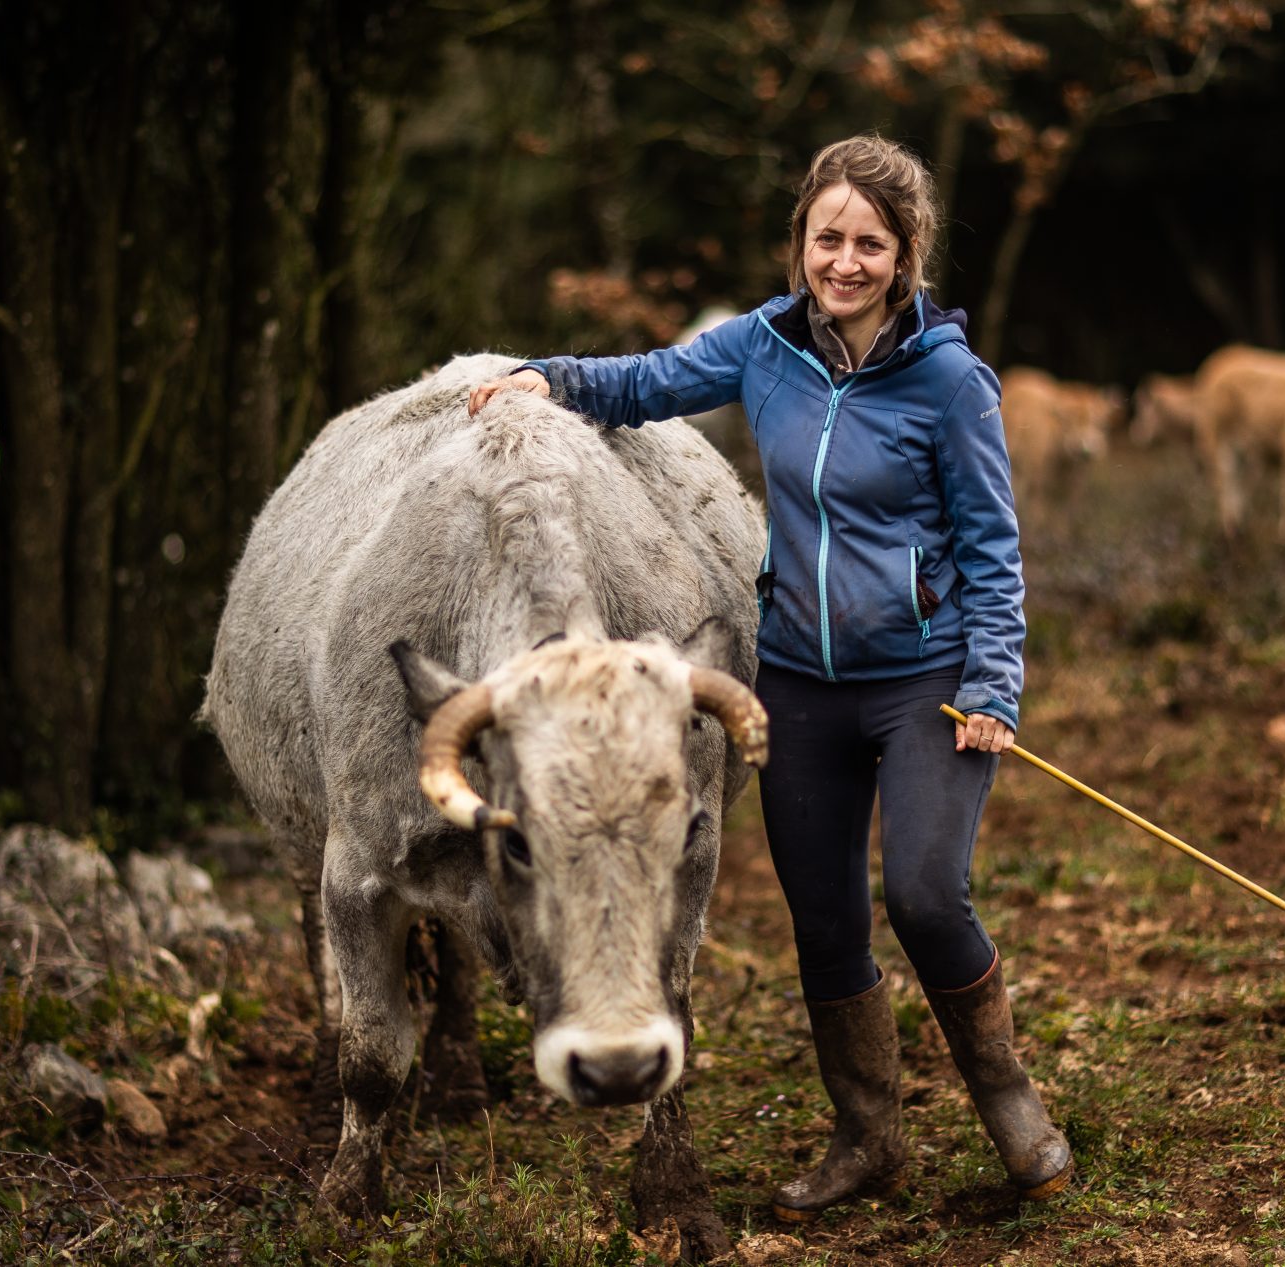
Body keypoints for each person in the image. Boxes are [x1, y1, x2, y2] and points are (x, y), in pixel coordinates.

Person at [468, 135, 1072, 1219]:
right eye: (826, 238)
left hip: (922, 680)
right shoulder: (763, 344)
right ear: (801, 241)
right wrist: (544, 379)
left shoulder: (947, 378)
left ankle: (1008, 1096)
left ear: (905, 254)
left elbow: (992, 545)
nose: (844, 261)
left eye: (869, 244)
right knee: (825, 920)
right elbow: (647, 382)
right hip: (797, 676)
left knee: (927, 897)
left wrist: (990, 685)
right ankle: (867, 1135)